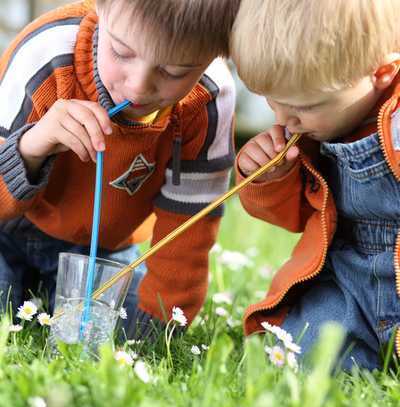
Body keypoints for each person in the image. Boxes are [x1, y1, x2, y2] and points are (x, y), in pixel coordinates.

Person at [0, 0, 239, 340]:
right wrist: (32, 145)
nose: (139, 86)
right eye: (122, 52)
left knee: (127, 334)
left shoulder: (209, 97)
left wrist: (164, 321)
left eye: (174, 72)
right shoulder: (45, 55)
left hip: (104, 254)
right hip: (8, 233)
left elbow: (188, 224)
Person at [231, 0, 400, 370]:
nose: (283, 119)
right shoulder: (314, 128)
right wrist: (272, 179)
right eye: (272, 100)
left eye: (303, 106)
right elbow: (300, 215)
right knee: (297, 358)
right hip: (348, 286)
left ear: (382, 72)